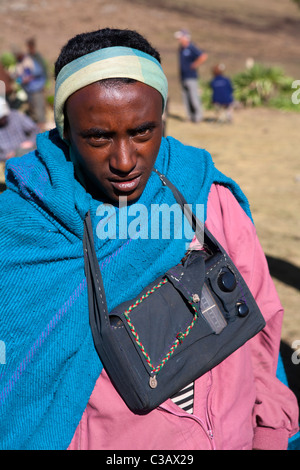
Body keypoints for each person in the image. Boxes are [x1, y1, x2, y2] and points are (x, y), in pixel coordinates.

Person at [0, 28, 298, 451]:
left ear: (164, 119)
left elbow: (261, 332)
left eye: (143, 132)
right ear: (66, 131)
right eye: (98, 137)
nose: (124, 161)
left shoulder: (205, 196)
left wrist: (272, 432)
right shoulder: (22, 232)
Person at [174, 29, 208, 123]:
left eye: (180, 37)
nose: (179, 39)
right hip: (183, 77)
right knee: (186, 98)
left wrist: (195, 64)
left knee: (194, 97)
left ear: (185, 37)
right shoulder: (181, 48)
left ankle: (198, 117)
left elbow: (203, 56)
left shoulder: (192, 47)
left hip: (191, 77)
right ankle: (189, 117)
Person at [15, 39, 47, 130]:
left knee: (39, 107)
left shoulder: (30, 60)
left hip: (36, 87)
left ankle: (42, 125)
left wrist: (29, 78)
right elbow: (18, 78)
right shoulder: (19, 64)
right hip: (28, 90)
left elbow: (38, 71)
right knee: (33, 108)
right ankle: (37, 125)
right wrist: (20, 80)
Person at [0, 96, 39, 161]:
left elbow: (35, 130)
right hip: (9, 160)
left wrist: (30, 142)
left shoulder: (16, 116)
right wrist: (5, 156)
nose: (3, 120)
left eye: (4, 117)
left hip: (26, 152)